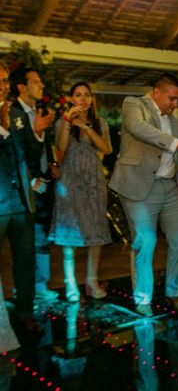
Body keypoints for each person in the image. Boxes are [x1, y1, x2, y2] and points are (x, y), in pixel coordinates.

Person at [109, 73, 178, 317]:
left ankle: (174, 292)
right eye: (172, 99)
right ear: (156, 92)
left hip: (171, 187)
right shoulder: (134, 104)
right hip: (139, 186)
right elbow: (138, 129)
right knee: (145, 241)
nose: (175, 104)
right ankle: (142, 299)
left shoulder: (177, 119)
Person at [49, 82, 113, 301]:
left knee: (95, 232)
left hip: (94, 182)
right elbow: (62, 149)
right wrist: (69, 122)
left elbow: (106, 149)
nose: (83, 99)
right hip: (70, 183)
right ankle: (70, 284)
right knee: (70, 236)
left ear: (92, 99)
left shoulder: (100, 123)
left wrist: (86, 127)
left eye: (87, 95)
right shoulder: (62, 122)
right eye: (78, 95)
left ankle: (91, 280)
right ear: (71, 99)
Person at [9, 65, 59, 302]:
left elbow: (41, 146)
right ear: (22, 87)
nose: (42, 86)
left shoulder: (40, 110)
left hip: (44, 183)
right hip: (22, 187)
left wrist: (51, 165)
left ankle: (41, 284)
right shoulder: (11, 112)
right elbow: (15, 152)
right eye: (36, 81)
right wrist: (30, 178)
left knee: (41, 237)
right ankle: (24, 289)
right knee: (24, 242)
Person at [0, 61, 42, 335]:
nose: (3, 86)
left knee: (26, 260)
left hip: (20, 201)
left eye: (4, 80)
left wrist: (37, 133)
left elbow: (30, 153)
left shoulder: (16, 113)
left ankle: (25, 313)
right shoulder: (7, 118)